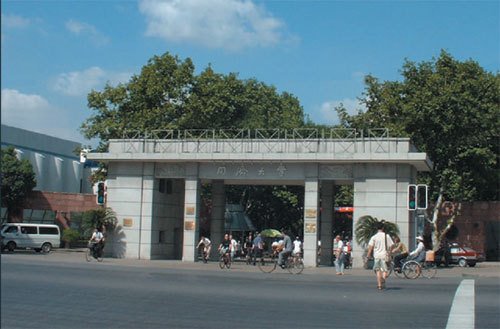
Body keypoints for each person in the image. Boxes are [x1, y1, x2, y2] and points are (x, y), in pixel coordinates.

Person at [367, 222, 394, 290]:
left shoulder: (374, 237)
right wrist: (390, 252)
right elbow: (392, 245)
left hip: (376, 256)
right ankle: (383, 278)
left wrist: (368, 255)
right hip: (384, 255)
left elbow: (370, 247)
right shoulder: (386, 236)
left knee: (378, 270)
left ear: (377, 228)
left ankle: (379, 285)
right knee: (385, 270)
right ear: (383, 228)